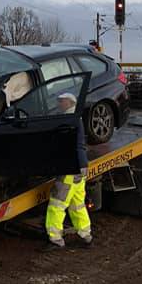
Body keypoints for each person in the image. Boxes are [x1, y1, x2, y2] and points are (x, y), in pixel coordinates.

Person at [44, 92, 93, 249]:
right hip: (78, 169)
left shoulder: (69, 119)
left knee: (56, 205)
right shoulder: (75, 118)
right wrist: (83, 165)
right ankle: (86, 235)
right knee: (77, 204)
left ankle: (56, 240)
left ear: (69, 102)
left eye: (61, 101)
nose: (58, 103)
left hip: (70, 169)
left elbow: (76, 144)